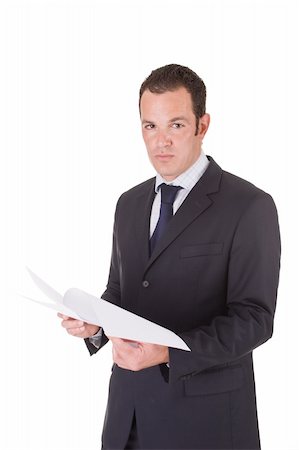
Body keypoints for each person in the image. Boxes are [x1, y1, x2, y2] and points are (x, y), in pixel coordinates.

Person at [58, 64, 281, 450]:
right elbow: (120, 291)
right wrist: (95, 324)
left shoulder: (249, 206)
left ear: (202, 125)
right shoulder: (128, 203)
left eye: (175, 125)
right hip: (127, 417)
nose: (161, 142)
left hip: (205, 423)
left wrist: (168, 353)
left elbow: (254, 320)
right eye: (150, 126)